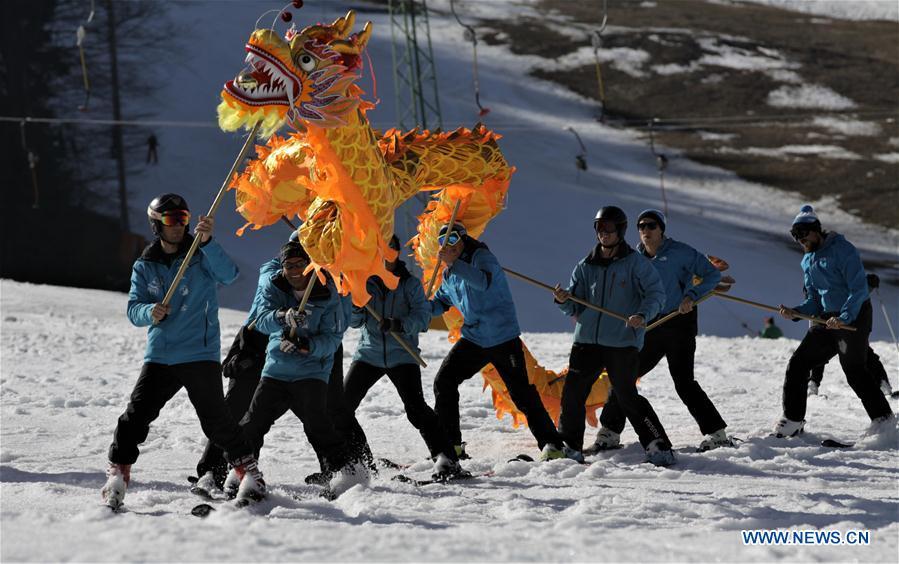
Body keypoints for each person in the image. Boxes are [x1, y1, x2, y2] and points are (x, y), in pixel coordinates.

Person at [101, 193, 263, 509]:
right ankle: (118, 475)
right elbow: (133, 309)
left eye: (184, 219)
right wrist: (150, 312)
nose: (179, 226)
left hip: (199, 353)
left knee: (217, 421)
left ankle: (249, 474)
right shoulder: (145, 265)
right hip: (161, 354)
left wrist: (208, 242)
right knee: (135, 417)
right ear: (156, 225)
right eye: (172, 220)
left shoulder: (200, 254)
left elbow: (229, 275)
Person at [588, 209, 732, 453]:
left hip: (679, 323)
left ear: (662, 229)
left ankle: (717, 433)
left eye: (651, 226)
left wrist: (691, 296)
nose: (646, 230)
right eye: (641, 226)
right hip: (651, 325)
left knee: (683, 382)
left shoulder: (681, 252)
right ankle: (610, 433)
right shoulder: (634, 257)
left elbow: (711, 274)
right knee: (624, 376)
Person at [429, 223, 574, 462]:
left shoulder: (482, 258)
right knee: (444, 381)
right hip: (475, 340)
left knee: (521, 393)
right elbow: (441, 302)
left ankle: (552, 444)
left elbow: (483, 282)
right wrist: (416, 309)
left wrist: (455, 264)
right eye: (442, 240)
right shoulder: (449, 274)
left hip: (502, 338)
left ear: (463, 239)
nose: (447, 244)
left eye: (452, 238)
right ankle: (451, 446)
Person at [235, 240, 361, 499]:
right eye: (288, 265)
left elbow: (332, 338)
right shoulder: (275, 285)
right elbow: (260, 320)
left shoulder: (327, 291)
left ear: (310, 265)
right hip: (276, 370)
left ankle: (346, 470)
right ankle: (245, 473)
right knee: (252, 423)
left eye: (299, 264)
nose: (293, 271)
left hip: (311, 372)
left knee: (318, 424)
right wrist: (282, 317)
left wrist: (306, 345)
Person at [553, 206, 675, 466]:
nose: (604, 233)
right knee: (573, 394)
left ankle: (657, 443)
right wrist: (563, 300)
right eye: (599, 227)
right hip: (586, 341)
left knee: (625, 395)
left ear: (620, 230)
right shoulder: (586, 265)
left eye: (609, 228)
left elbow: (656, 295)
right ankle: (570, 446)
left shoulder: (635, 263)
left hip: (622, 342)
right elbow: (575, 305)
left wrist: (643, 315)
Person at [345, 236, 462, 477]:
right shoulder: (366, 282)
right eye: (382, 251)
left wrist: (399, 325)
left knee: (416, 409)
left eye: (392, 251)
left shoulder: (410, 284)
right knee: (342, 408)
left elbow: (423, 318)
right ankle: (362, 463)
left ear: (398, 253)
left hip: (403, 355)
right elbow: (355, 322)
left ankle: (446, 458)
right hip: (368, 354)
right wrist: (356, 306)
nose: (387, 256)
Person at [775, 205, 893, 438]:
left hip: (854, 315)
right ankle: (793, 420)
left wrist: (844, 317)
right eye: (795, 236)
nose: (800, 240)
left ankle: (883, 420)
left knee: (854, 370)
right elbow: (813, 299)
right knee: (798, 363)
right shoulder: (808, 260)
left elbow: (858, 289)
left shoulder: (843, 250)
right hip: (828, 319)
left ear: (816, 231)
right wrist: (797, 312)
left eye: (803, 234)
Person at [808, 273, 893, 397]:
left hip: (848, 323)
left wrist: (867, 282)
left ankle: (883, 384)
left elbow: (855, 294)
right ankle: (812, 385)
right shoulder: (817, 279)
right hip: (826, 320)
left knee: (865, 353)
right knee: (818, 352)